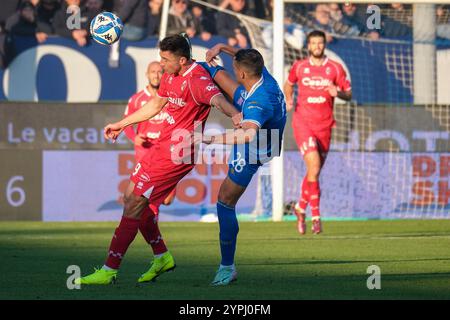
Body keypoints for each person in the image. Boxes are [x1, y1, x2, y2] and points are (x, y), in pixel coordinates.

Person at [75, 34, 242, 285]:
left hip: (179, 153)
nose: (161, 64)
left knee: (134, 205)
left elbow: (217, 100)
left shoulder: (197, 80)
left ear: (182, 60)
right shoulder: (170, 76)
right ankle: (162, 256)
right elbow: (156, 105)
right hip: (162, 147)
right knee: (132, 199)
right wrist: (122, 124)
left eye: (165, 59)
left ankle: (109, 270)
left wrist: (236, 115)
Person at [198, 44, 286, 285]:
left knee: (225, 201)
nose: (235, 70)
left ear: (243, 74)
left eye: (235, 69)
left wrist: (209, 138)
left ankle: (227, 267)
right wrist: (222, 48)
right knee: (213, 71)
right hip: (261, 129)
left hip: (256, 148)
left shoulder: (258, 102)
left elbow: (246, 136)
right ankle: (197, 70)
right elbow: (246, 57)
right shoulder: (262, 75)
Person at [283, 30, 352, 235]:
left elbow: (348, 94)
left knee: (314, 171)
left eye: (320, 43)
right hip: (303, 123)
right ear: (308, 46)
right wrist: (288, 99)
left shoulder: (335, 69)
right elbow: (289, 84)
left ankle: (299, 207)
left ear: (324, 45)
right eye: (313, 43)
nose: (317, 46)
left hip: (325, 125)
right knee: (313, 164)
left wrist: (337, 93)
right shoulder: (300, 66)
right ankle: (316, 217)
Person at [122, 61, 177, 270]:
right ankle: (159, 253)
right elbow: (127, 122)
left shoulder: (170, 97)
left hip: (165, 157)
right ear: (147, 74)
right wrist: (134, 137)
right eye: (153, 71)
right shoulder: (137, 99)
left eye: (159, 71)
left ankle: (160, 253)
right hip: (144, 158)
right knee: (146, 204)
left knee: (158, 203)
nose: (156, 74)